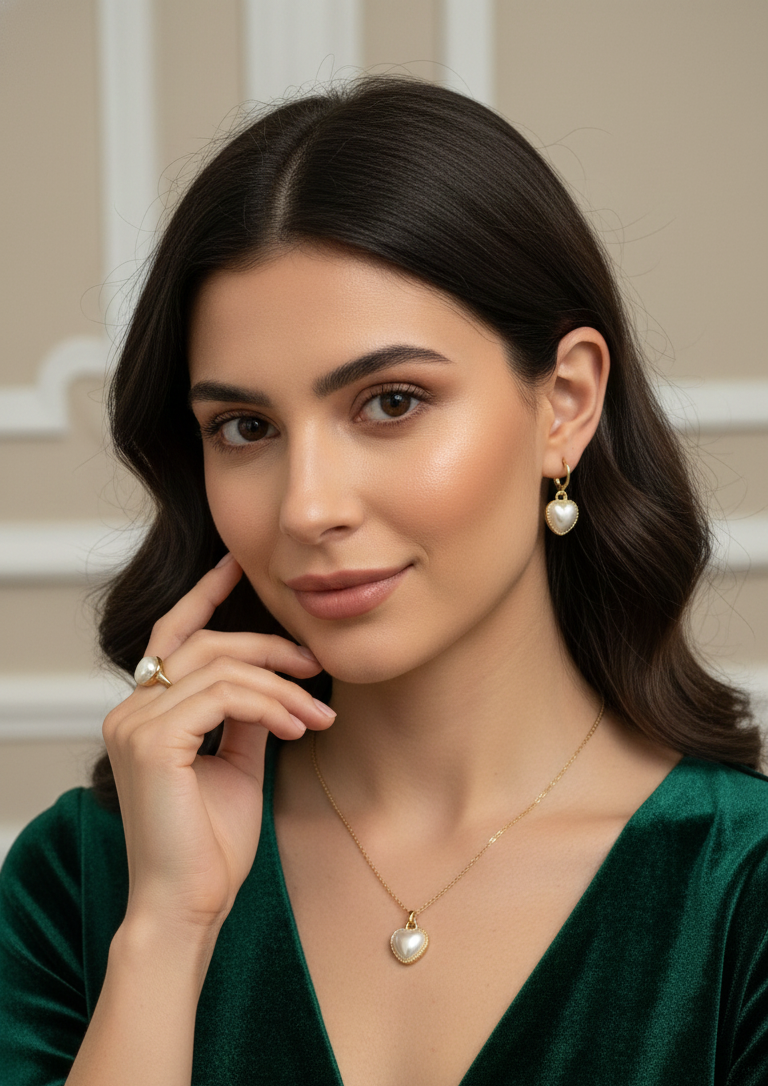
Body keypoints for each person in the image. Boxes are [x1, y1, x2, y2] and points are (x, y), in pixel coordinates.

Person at [0, 75, 766, 1086]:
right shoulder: (87, 882)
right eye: (246, 427)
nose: (308, 507)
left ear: (565, 404)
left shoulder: (740, 893)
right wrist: (167, 937)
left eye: (391, 402)